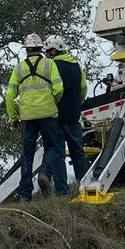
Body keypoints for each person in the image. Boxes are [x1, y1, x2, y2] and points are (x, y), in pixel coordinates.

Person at [5, 33, 64, 203]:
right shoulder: (50, 64)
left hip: (27, 117)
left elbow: (9, 95)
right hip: (48, 114)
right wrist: (52, 102)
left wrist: (13, 117)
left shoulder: (18, 68)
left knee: (27, 154)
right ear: (41, 48)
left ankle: (25, 195)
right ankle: (45, 173)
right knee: (52, 147)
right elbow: (59, 89)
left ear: (26, 49)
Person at [37, 35, 91, 196]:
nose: (46, 54)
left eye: (47, 51)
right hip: (73, 116)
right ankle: (85, 186)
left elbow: (49, 90)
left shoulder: (51, 65)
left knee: (57, 152)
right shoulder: (77, 66)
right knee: (78, 152)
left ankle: (62, 191)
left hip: (56, 116)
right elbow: (83, 89)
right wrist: (76, 105)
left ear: (53, 51)